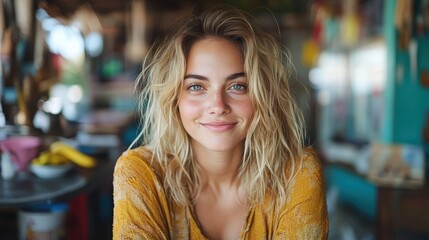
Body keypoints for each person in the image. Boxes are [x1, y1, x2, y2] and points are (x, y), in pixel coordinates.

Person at [113, 7, 328, 240]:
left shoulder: (297, 174)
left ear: (262, 95)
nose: (218, 105)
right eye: (197, 87)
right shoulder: (141, 174)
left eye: (238, 86)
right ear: (174, 98)